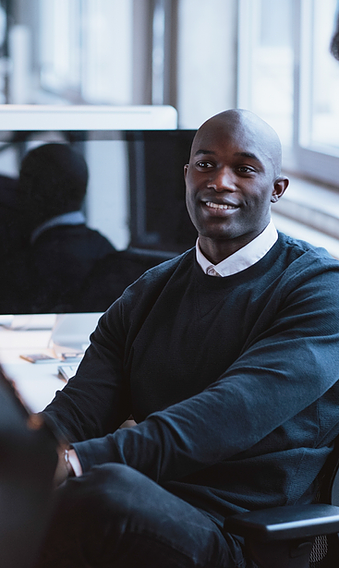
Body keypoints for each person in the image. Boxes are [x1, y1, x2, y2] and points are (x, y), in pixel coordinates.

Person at [36, 109, 339, 568]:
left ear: (277, 188)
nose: (220, 181)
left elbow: (226, 414)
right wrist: (23, 452)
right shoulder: (149, 290)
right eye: (205, 164)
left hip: (241, 535)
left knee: (99, 495)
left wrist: (75, 461)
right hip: (150, 508)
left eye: (244, 168)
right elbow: (80, 408)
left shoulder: (317, 287)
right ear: (186, 175)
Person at [16, 143, 116, 313]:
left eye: (24, 180)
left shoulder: (28, 264)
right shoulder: (106, 249)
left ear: (36, 191)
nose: (17, 190)